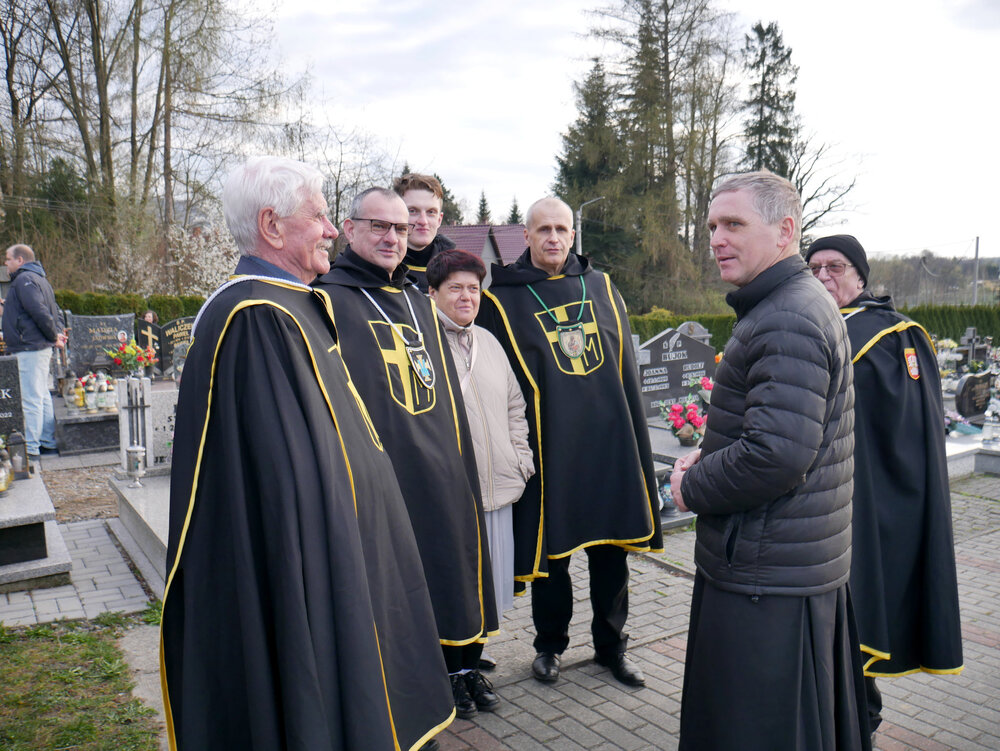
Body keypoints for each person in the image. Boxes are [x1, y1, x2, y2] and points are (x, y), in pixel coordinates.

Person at [160, 157, 453, 751]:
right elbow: (287, 483)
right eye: (319, 215)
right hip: (318, 569)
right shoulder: (256, 317)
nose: (329, 229)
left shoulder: (288, 303)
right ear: (272, 226)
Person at [669, 172, 870, 750]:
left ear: (784, 231)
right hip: (778, 563)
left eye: (734, 224)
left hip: (767, 575)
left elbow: (777, 455)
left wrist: (692, 484)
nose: (717, 239)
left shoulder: (788, 315)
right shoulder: (786, 304)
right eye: (712, 226)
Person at [313, 188, 500, 720]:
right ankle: (412, 688)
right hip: (381, 472)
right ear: (349, 229)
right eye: (379, 226)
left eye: (399, 228)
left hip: (441, 464)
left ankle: (461, 671)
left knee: (449, 569)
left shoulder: (419, 299)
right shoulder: (326, 298)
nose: (393, 237)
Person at [476, 197, 662, 688]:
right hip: (550, 450)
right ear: (527, 236)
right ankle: (549, 647)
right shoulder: (503, 299)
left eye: (562, 229)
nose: (554, 238)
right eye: (544, 230)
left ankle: (611, 648)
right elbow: (495, 381)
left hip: (606, 448)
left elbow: (625, 373)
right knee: (551, 558)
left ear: (572, 234)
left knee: (611, 554)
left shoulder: (601, 288)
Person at [805, 234, 964, 732]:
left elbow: (904, 428)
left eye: (835, 267)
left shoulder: (893, 335)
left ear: (860, 275)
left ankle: (861, 722)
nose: (824, 276)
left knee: (857, 617)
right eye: (814, 268)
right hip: (819, 501)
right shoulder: (810, 323)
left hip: (870, 498)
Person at [427, 249, 535, 669]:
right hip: (454, 496)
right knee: (456, 587)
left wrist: (520, 459)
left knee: (489, 586)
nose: (467, 297)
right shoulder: (422, 344)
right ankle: (452, 669)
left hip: (500, 488)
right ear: (433, 293)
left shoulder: (488, 342)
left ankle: (473, 660)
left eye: (473, 288)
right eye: (455, 288)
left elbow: (514, 406)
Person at [2, 244, 66, 456]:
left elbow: (39, 311)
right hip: (37, 345)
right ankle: (46, 441)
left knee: (30, 398)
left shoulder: (23, 280)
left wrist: (53, 336)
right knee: (42, 395)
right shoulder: (40, 279)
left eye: (8, 259)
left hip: (30, 346)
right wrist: (55, 335)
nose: (6, 263)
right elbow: (54, 311)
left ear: (20, 260)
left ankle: (30, 449)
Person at [393, 173, 456, 292]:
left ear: (439, 219)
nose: (423, 221)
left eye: (431, 212)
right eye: (412, 211)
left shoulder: (458, 269)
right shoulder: (380, 270)